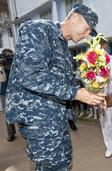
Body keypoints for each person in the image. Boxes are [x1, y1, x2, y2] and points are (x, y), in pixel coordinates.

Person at [5, 4, 105, 171]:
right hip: (38, 117)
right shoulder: (39, 30)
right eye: (87, 29)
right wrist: (75, 93)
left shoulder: (64, 47)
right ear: (74, 17)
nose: (87, 35)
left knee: (65, 162)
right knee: (52, 166)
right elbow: (31, 76)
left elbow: (66, 81)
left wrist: (89, 93)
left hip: (56, 117)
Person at [1, 49, 16, 142]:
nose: (7, 57)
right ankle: (11, 133)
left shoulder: (15, 61)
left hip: (16, 91)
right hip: (4, 91)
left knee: (21, 112)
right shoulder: (2, 62)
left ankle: (27, 132)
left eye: (9, 55)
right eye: (5, 55)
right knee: (7, 114)